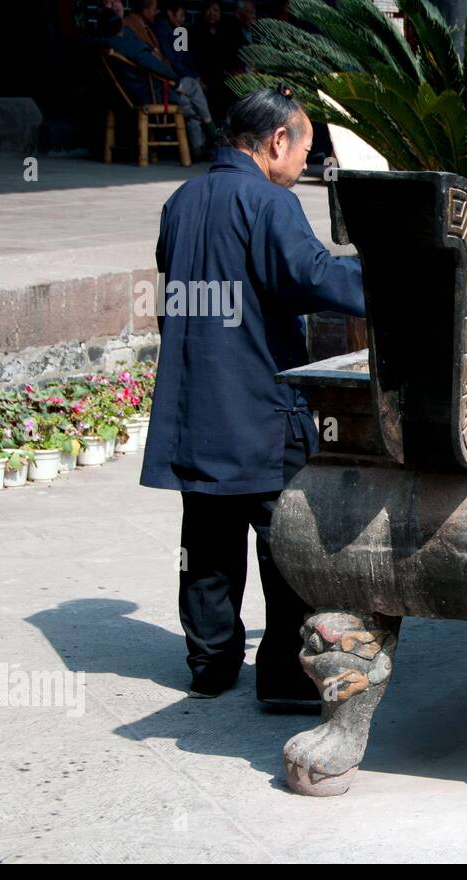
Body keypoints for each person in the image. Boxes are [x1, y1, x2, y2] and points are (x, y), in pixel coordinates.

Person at [143, 87, 367, 704]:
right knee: (286, 544)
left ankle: (210, 667)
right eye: (305, 148)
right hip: (260, 404)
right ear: (276, 142)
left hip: (198, 402)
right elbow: (312, 276)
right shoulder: (269, 202)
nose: (307, 164)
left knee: (207, 542)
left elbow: (175, 303)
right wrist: (394, 279)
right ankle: (286, 678)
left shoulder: (180, 202)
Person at [99, 12, 217, 157]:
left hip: (128, 94)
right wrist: (175, 80)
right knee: (192, 86)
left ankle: (198, 147)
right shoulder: (131, 47)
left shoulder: (104, 44)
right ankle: (211, 128)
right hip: (152, 95)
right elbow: (156, 67)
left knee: (190, 103)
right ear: (123, 24)